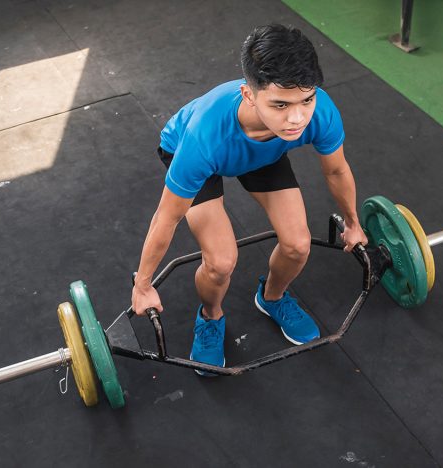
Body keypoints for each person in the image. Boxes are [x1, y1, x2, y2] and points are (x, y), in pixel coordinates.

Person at [131, 23, 368, 375]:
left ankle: (271, 297)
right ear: (248, 95)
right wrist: (142, 285)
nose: (298, 117)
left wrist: (353, 223)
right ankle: (211, 316)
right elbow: (167, 217)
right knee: (221, 261)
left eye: (307, 99)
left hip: (265, 153)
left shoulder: (317, 112)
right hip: (202, 156)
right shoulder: (203, 138)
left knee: (298, 244)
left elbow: (336, 171)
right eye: (281, 104)